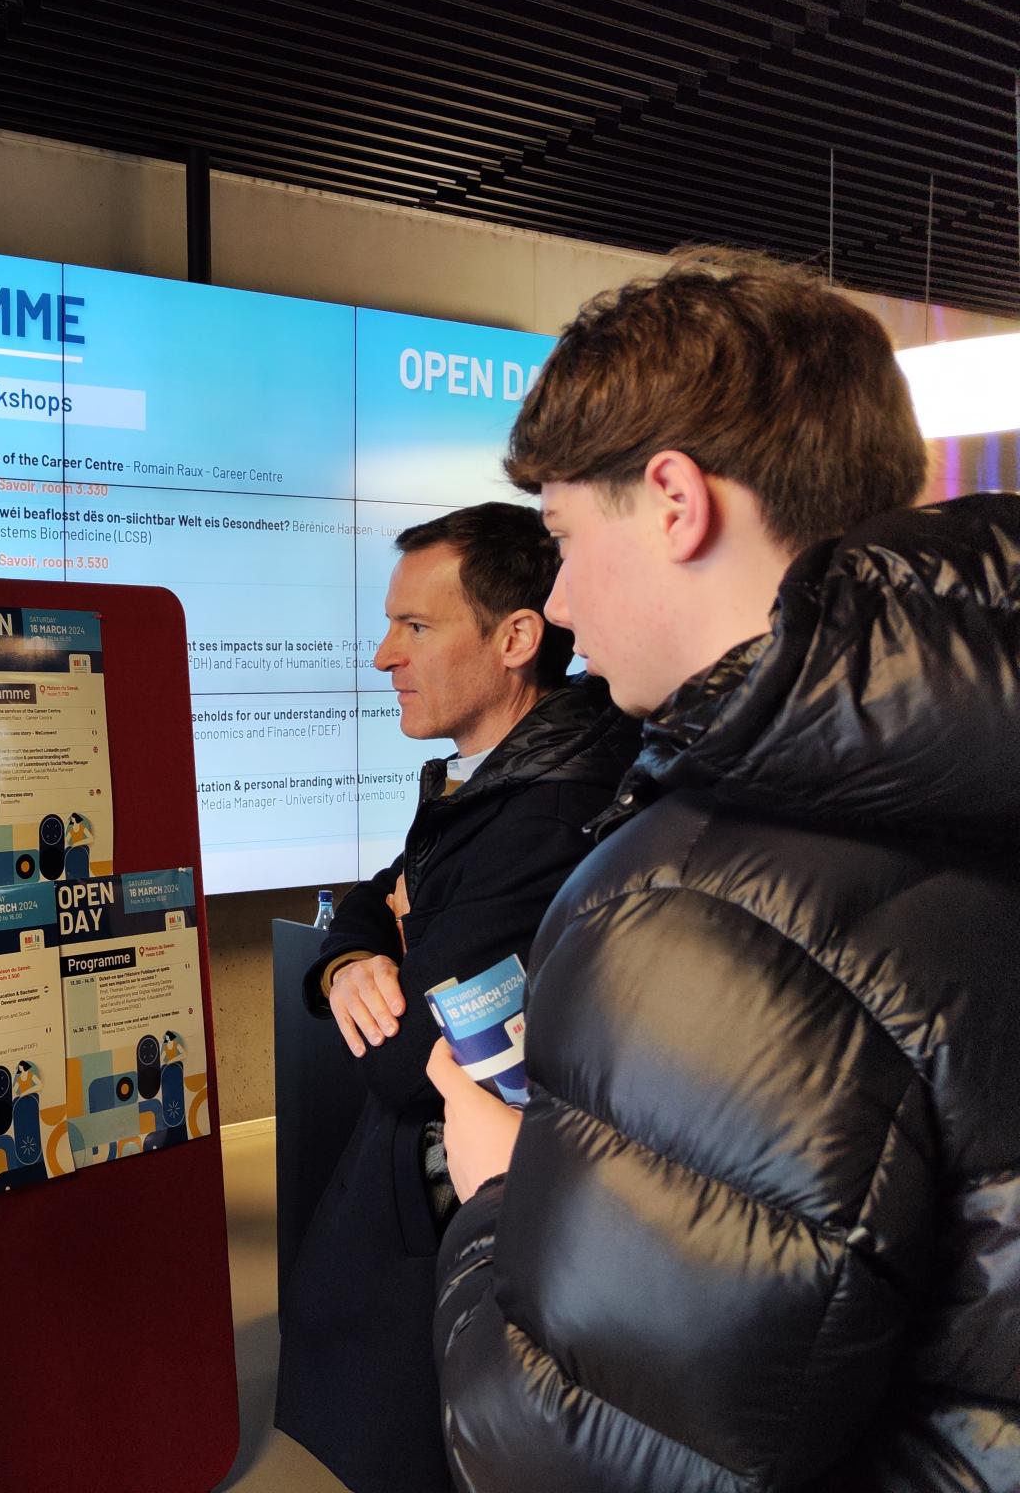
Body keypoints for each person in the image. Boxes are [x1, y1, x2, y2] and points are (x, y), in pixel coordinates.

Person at [428, 253, 1020, 1492]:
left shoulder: (692, 912)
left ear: (673, 500)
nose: (563, 603)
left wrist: (496, 1202)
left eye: (561, 541)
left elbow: (569, 1455)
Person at [274, 502, 638, 1493]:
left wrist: (391, 928)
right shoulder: (491, 779)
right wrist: (354, 953)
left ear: (515, 638)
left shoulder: (547, 808)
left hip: (457, 1241)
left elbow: (410, 1065)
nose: (384, 654)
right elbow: (366, 897)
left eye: (415, 627)